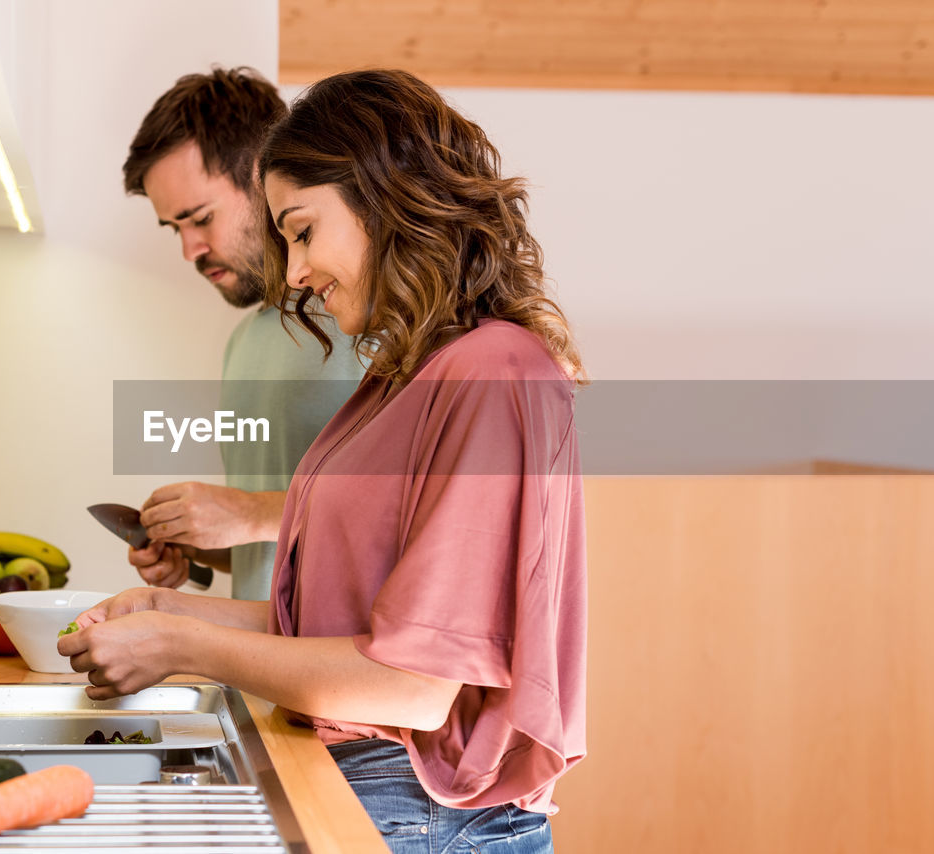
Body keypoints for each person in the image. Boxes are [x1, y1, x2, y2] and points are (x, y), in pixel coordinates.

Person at [64, 69, 588, 853]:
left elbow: (411, 688)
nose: (297, 272)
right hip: (361, 778)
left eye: (304, 232)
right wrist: (166, 613)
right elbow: (338, 629)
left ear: (384, 201)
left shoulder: (496, 372)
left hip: (429, 813)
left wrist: (181, 646)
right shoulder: (400, 379)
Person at [121, 67, 364, 600]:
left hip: (342, 675)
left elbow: (419, 507)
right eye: (174, 228)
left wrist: (249, 513)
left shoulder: (368, 317)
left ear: (265, 177)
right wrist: (196, 548)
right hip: (257, 671)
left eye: (200, 218)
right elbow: (275, 541)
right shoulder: (242, 344)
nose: (189, 250)